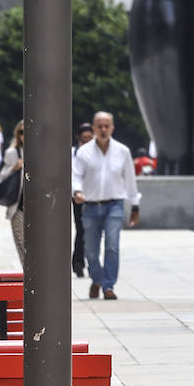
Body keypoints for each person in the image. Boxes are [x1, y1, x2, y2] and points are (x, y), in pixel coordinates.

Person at [72, 111, 140, 299]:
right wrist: (77, 191)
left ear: (112, 128)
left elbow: (130, 180)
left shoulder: (122, 151)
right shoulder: (84, 153)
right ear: (93, 128)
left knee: (112, 246)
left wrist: (135, 206)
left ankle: (108, 285)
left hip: (114, 205)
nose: (103, 129)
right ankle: (97, 279)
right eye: (99, 126)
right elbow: (76, 176)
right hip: (91, 205)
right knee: (91, 250)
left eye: (106, 126)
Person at [72, 123, 94, 278]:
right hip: (78, 197)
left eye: (89, 138)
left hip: (95, 196)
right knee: (81, 230)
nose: (87, 140)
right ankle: (78, 263)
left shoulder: (97, 152)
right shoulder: (74, 154)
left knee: (93, 231)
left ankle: (91, 263)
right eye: (84, 138)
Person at [0, 120, 25, 257]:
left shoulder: (43, 152)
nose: (25, 136)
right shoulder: (12, 152)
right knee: (22, 244)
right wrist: (14, 168)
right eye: (21, 132)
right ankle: (28, 276)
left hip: (39, 207)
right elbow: (2, 176)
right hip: (18, 205)